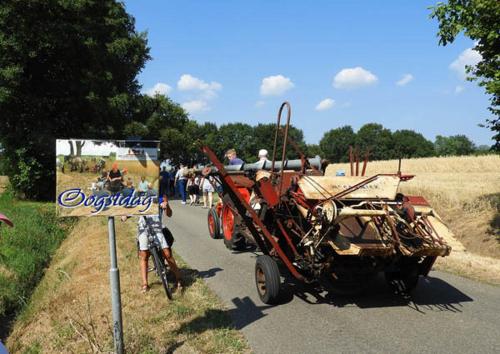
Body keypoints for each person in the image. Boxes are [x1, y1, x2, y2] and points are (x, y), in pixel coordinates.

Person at [122, 197, 182, 293]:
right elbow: (131, 209)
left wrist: (166, 206)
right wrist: (126, 215)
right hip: (143, 228)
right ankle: (145, 284)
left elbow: (169, 214)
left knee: (167, 254)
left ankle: (178, 278)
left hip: (157, 228)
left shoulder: (159, 195)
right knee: (144, 255)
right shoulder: (138, 196)